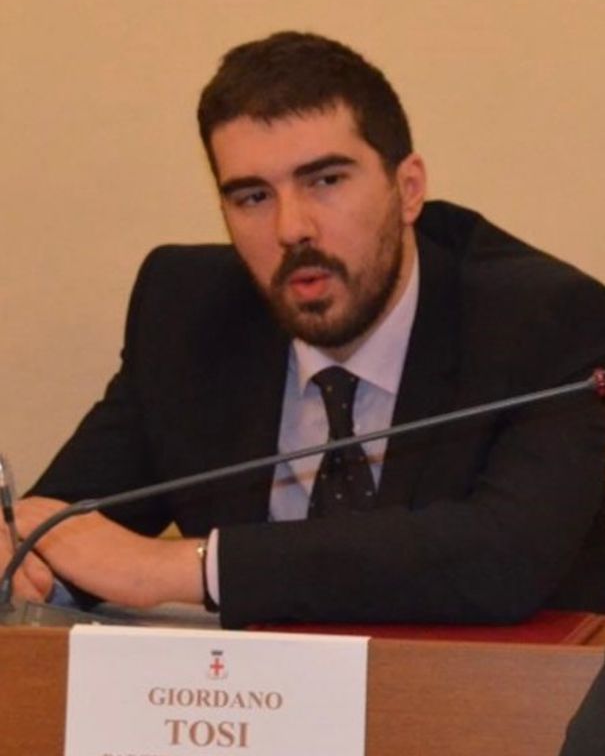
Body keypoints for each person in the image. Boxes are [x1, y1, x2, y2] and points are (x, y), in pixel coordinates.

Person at [3, 32, 605, 629]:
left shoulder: (546, 320)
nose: (291, 228)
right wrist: (22, 553)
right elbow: (60, 529)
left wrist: (190, 569)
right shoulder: (186, 313)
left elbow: (501, 557)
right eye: (253, 197)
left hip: (484, 688)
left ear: (408, 189)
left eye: (325, 181)